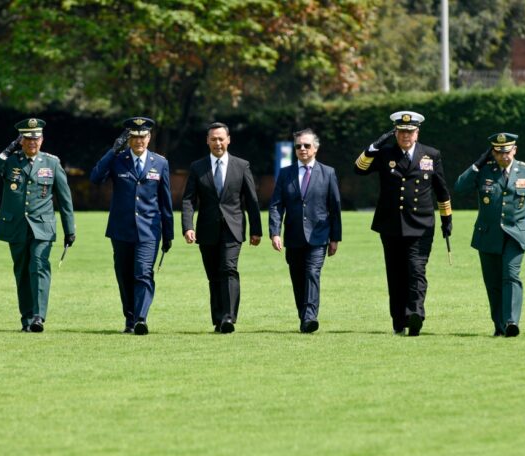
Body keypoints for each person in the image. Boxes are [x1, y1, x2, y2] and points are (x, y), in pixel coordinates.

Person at [353, 111, 452, 336]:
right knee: (396, 274)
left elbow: (441, 190)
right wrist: (372, 147)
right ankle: (399, 320)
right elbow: (358, 169)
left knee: (416, 270)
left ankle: (415, 314)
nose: (406, 136)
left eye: (410, 132)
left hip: (421, 224)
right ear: (395, 133)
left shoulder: (431, 154)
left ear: (417, 133)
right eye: (401, 132)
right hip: (391, 225)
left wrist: (447, 219)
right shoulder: (385, 153)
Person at [0, 118, 76, 333]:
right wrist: (6, 152)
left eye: (36, 138)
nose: (32, 142)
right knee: (22, 271)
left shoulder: (52, 162)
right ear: (20, 140)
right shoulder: (10, 161)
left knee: (39, 266)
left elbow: (65, 199)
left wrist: (70, 230)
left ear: (42, 140)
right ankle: (26, 319)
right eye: (27, 138)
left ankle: (38, 317)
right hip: (16, 226)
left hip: (42, 227)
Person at [90, 117, 174, 335]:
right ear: (128, 139)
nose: (139, 141)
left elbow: (165, 201)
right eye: (134, 137)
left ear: (149, 137)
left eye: (143, 136)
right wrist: (112, 151)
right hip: (121, 230)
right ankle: (130, 319)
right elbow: (95, 178)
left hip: (149, 230)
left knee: (143, 273)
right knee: (125, 275)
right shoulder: (118, 160)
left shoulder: (160, 163)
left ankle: (141, 319)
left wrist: (168, 234)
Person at [454, 133, 525, 337]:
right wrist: (477, 164)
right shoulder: (484, 170)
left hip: (516, 234)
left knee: (511, 275)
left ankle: (511, 321)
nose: (504, 156)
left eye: (507, 152)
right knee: (493, 282)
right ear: (493, 153)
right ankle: (499, 325)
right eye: (499, 152)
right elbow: (459, 187)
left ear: (515, 150)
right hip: (488, 235)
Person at [182, 122, 262, 334]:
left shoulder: (241, 166)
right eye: (213, 139)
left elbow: (251, 200)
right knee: (213, 275)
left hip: (233, 228)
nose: (217, 143)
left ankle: (228, 317)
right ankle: (218, 319)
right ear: (207, 141)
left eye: (221, 139)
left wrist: (256, 230)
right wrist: (188, 226)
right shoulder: (197, 167)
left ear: (228, 140)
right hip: (207, 229)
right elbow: (188, 199)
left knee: (228, 269)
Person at [268, 129, 342, 333]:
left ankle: (310, 316)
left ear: (315, 148)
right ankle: (304, 317)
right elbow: (276, 205)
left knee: (312, 273)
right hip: (293, 237)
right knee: (298, 278)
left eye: (306, 145)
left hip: (319, 236)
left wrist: (335, 238)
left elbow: (335, 207)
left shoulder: (328, 173)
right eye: (298, 146)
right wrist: (275, 232)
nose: (302, 149)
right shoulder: (285, 174)